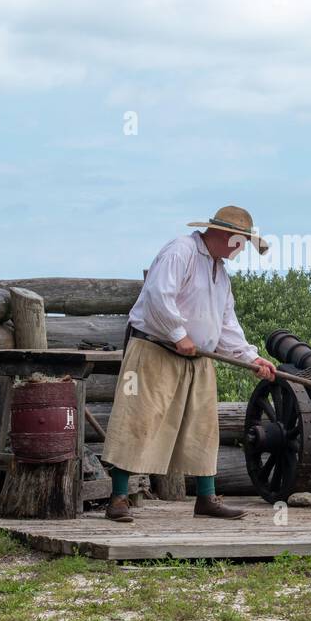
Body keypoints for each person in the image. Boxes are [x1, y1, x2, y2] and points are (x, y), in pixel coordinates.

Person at [101, 205, 277, 522]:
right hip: (155, 349)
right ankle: (118, 498)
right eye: (240, 243)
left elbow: (226, 325)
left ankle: (206, 499)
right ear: (225, 236)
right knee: (137, 420)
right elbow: (157, 295)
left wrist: (251, 357)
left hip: (197, 360)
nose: (241, 251)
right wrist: (178, 333)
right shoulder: (179, 251)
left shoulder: (220, 272)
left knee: (203, 427)